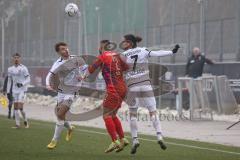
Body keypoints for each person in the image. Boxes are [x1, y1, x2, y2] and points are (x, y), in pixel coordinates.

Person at [120, 34, 180, 154]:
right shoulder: (143, 50)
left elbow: (118, 69)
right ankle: (159, 136)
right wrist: (172, 52)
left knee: (132, 114)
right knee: (153, 111)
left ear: (130, 43)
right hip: (145, 84)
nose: (123, 44)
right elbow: (158, 53)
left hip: (132, 86)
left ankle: (135, 139)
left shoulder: (122, 56)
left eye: (125, 42)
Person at [85, 40, 129, 153]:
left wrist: (82, 77)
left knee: (106, 115)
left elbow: (91, 69)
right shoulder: (117, 56)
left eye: (99, 46)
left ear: (102, 47)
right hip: (123, 88)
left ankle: (115, 141)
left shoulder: (103, 56)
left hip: (113, 89)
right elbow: (126, 67)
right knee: (113, 114)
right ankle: (123, 139)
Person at [46, 42, 80, 149]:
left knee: (60, 114)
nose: (66, 50)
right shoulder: (57, 63)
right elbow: (49, 75)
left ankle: (54, 141)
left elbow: (85, 69)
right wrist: (48, 84)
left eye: (66, 48)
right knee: (59, 115)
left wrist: (83, 75)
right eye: (62, 49)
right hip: (61, 91)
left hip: (72, 92)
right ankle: (70, 128)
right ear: (58, 52)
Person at [7, 53, 30, 128]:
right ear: (13, 59)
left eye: (17, 58)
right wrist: (8, 91)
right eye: (15, 58)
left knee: (20, 108)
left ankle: (25, 120)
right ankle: (17, 125)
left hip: (22, 90)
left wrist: (22, 84)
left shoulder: (24, 68)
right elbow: (9, 81)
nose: (16, 59)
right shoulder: (10, 69)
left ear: (20, 59)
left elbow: (28, 79)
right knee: (15, 108)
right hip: (14, 91)